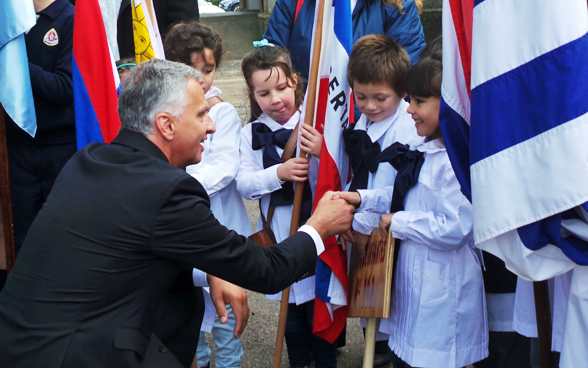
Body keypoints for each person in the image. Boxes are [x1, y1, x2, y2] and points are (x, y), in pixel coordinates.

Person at [0, 59, 356, 368]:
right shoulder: (168, 190)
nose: (212, 126)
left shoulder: (90, 159)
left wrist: (209, 270)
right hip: (77, 355)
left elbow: (130, 255)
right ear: (167, 125)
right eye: (201, 114)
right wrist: (318, 226)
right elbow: (266, 270)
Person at [340, 40, 488, 367]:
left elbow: (456, 227)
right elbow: (404, 194)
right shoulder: (424, 150)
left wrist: (398, 223)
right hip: (417, 281)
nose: (410, 109)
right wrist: (362, 198)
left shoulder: (454, 163)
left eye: (418, 101)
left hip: (444, 287)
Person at [236, 46, 333, 368]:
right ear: (253, 94)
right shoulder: (250, 133)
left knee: (319, 307)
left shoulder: (314, 123)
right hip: (281, 236)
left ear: (294, 81)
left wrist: (322, 151)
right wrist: (278, 172)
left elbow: (336, 177)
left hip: (317, 230)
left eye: (281, 88)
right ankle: (299, 362)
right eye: (264, 93)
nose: (275, 99)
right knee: (290, 309)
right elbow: (244, 184)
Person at [164, 21, 251, 368]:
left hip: (219, 231)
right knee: (191, 328)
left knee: (227, 326)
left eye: (208, 69)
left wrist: (175, 183)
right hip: (183, 235)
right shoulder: (167, 113)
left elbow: (224, 167)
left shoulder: (223, 114)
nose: (201, 78)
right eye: (191, 70)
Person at [338, 34, 421, 367]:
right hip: (363, 231)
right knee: (367, 308)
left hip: (393, 235)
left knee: (393, 312)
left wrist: (359, 201)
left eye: (380, 98)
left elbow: (403, 193)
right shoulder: (363, 120)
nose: (370, 106)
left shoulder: (410, 129)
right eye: (361, 97)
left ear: (402, 92)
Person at [4, 0, 76, 257]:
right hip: (17, 148)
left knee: (62, 237)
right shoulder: (8, 20)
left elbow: (65, 89)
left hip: (60, 148)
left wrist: (14, 62)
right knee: (21, 240)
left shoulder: (70, 19)